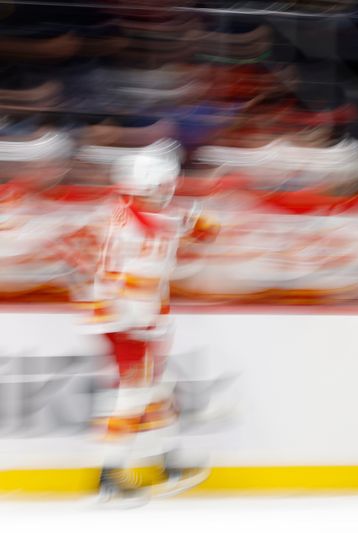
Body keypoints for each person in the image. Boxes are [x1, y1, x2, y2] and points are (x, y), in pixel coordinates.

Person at [79, 148, 218, 501]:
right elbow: (128, 276)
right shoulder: (148, 223)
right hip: (129, 319)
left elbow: (195, 228)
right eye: (165, 182)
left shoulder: (130, 213)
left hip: (122, 315)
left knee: (157, 389)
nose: (169, 189)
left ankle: (168, 465)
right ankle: (109, 476)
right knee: (134, 395)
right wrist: (142, 324)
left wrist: (196, 222)